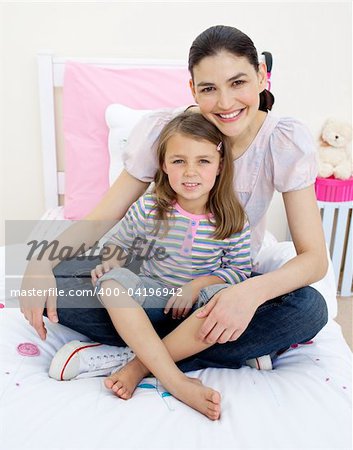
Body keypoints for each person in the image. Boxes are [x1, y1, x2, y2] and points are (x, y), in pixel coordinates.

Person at [20, 25, 328, 385]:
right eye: (209, 89)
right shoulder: (167, 132)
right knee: (58, 280)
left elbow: (314, 259)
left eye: (238, 82)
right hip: (152, 282)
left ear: (261, 76)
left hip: (218, 290)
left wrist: (247, 295)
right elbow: (105, 216)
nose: (226, 103)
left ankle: (135, 359)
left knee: (308, 308)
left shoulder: (283, 139)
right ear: (192, 89)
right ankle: (213, 350)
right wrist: (40, 262)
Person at [51, 112, 252, 420]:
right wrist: (112, 262)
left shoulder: (233, 220)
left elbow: (239, 273)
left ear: (220, 165)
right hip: (154, 299)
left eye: (203, 161)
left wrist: (196, 287)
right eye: (179, 161)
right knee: (106, 283)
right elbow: (117, 243)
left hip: (199, 308)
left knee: (225, 301)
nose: (190, 172)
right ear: (163, 166)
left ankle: (143, 365)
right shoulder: (149, 207)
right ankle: (179, 373)